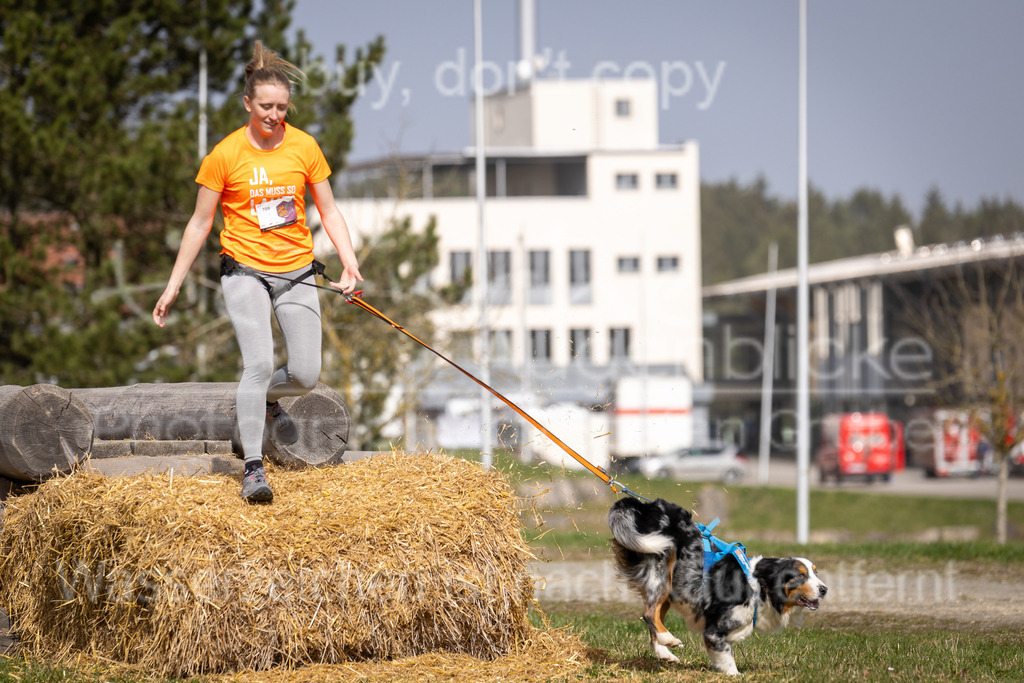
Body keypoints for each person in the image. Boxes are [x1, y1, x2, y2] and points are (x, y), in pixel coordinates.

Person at [153, 41, 362, 503]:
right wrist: (173, 285)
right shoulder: (225, 155)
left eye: (282, 108)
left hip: (295, 270)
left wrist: (349, 261)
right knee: (259, 363)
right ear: (247, 103)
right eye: (265, 106)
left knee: (306, 374)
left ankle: (265, 401)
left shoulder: (304, 146)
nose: (274, 115)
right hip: (244, 269)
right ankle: (253, 468)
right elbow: (199, 223)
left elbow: (328, 208)